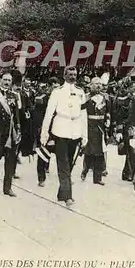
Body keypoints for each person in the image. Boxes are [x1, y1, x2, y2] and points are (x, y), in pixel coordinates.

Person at [40, 66, 87, 207]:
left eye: (75, 74)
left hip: (75, 131)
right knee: (63, 164)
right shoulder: (57, 92)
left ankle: (62, 192)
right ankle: (68, 196)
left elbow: (83, 115)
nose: (73, 77)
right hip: (60, 130)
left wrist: (85, 135)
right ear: (64, 76)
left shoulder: (80, 92)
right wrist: (44, 133)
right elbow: (48, 113)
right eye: (70, 74)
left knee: (70, 163)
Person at [81, 77, 111, 185]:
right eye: (96, 84)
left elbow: (108, 111)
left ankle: (97, 178)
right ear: (91, 85)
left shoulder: (105, 98)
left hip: (101, 127)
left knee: (99, 152)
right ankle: (85, 170)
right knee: (89, 151)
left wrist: (108, 121)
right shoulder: (86, 97)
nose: (98, 86)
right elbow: (82, 113)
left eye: (100, 84)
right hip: (90, 126)